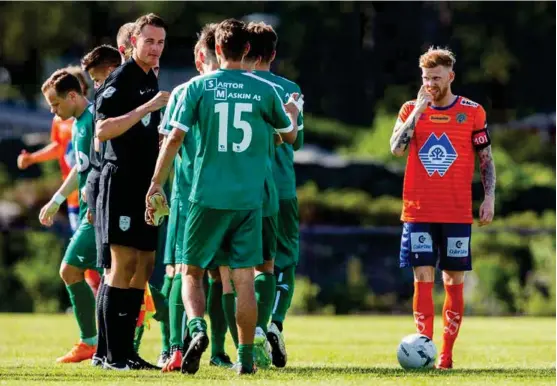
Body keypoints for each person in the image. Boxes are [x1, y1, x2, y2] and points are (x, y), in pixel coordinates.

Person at [146, 18, 300, 375]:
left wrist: (156, 182)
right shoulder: (266, 91)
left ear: (216, 49)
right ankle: (245, 358)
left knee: (191, 272)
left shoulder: (198, 88)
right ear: (248, 50)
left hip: (204, 197)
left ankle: (196, 330)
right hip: (249, 200)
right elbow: (288, 137)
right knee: (244, 277)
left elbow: (173, 139)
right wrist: (290, 116)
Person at [390, 47, 496, 370]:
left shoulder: (472, 112)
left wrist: (489, 196)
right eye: (426, 78)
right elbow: (396, 148)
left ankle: (446, 356)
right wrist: (418, 111)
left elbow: (486, 160)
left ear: (450, 76)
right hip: (419, 211)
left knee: (453, 281)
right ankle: (425, 350)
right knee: (422, 277)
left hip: (455, 212)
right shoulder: (411, 108)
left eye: (436, 78)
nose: (431, 84)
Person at [94, 13, 169, 370]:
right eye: (149, 41)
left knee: (144, 263)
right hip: (121, 181)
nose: (155, 49)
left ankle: (126, 351)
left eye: (160, 42)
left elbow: (145, 131)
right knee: (121, 264)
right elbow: (103, 130)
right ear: (133, 43)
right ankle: (110, 356)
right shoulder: (121, 79)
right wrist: (146, 107)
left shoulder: (150, 78)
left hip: (144, 185)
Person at [244, 21, 305, 369]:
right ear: (274, 53)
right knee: (284, 259)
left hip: (240, 187)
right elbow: (298, 139)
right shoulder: (290, 89)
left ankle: (236, 340)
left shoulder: (234, 86)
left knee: (242, 265)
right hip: (281, 186)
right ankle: (274, 323)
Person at [38, 69, 99, 363]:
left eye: (55, 104)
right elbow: (82, 167)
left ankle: (91, 341)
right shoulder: (77, 124)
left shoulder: (96, 119)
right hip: (89, 210)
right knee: (118, 276)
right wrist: (56, 200)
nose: (52, 111)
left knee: (71, 270)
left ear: (73, 96)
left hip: (99, 213)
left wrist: (97, 194)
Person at [80, 43, 122, 368]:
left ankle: (106, 351)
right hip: (102, 182)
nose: (95, 85)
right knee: (109, 269)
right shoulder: (106, 100)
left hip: (99, 182)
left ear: (109, 69)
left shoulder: (110, 95)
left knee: (111, 269)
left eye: (96, 78)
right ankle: (105, 352)